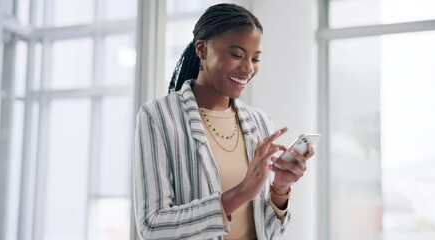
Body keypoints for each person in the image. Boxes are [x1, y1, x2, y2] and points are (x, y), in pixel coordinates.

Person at [133, 3, 314, 240]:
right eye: (236, 55)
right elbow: (151, 225)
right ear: (202, 49)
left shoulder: (260, 123)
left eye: (255, 59)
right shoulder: (158, 116)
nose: (248, 68)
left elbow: (268, 233)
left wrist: (280, 189)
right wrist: (240, 193)